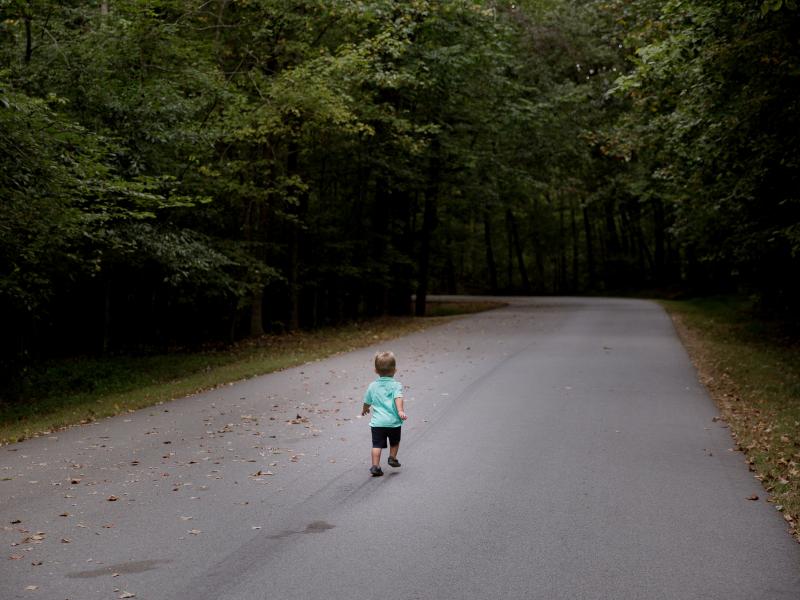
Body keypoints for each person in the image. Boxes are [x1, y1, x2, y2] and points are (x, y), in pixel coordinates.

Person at [361, 351, 407, 477]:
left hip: (378, 423)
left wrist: (365, 409)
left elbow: (367, 401)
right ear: (395, 370)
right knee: (394, 442)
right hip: (393, 422)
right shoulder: (396, 385)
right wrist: (400, 411)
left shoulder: (373, 386)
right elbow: (398, 397)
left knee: (377, 445)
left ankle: (375, 466)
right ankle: (392, 457)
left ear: (376, 370)